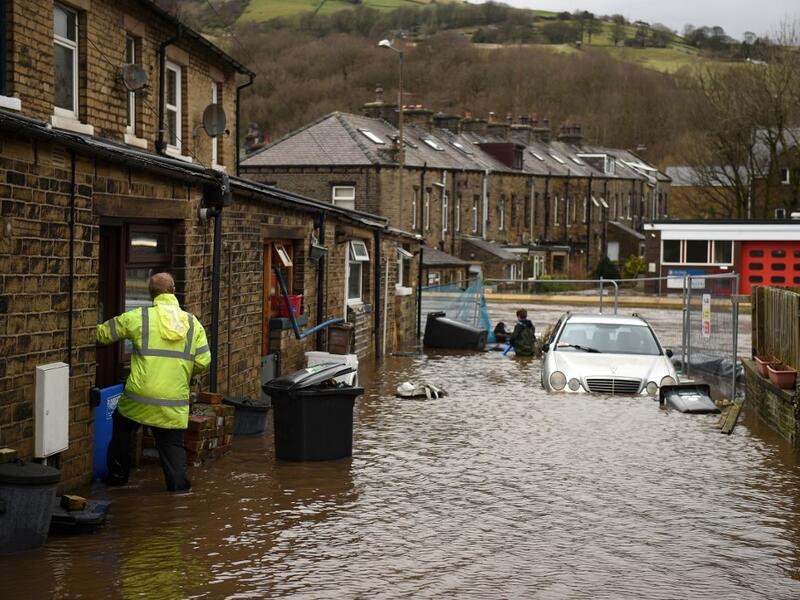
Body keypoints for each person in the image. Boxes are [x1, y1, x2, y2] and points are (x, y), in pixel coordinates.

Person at [97, 273, 210, 491]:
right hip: (174, 401)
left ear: (151, 293)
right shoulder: (193, 323)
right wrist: (184, 372)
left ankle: (118, 478)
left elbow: (102, 334)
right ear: (173, 289)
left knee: (123, 427)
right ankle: (179, 492)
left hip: (139, 398)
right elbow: (204, 361)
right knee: (173, 447)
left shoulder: (139, 317)